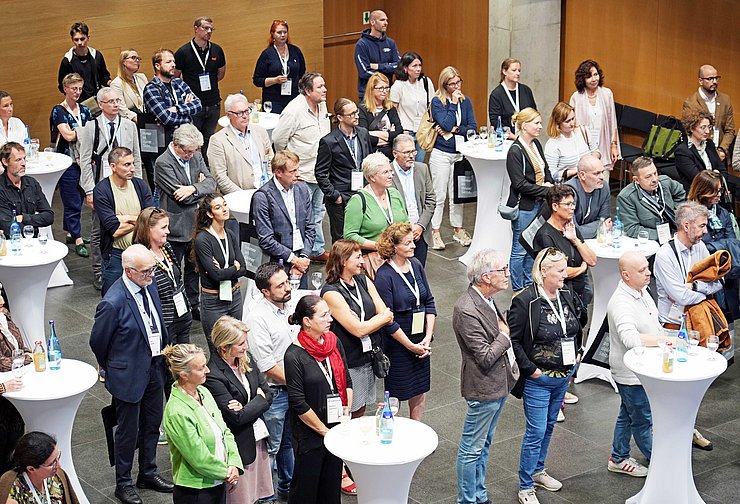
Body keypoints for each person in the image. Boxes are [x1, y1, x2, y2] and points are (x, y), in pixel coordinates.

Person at [89, 244, 173, 504]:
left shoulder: (149, 284)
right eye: (146, 272)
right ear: (128, 271)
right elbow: (97, 342)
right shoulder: (113, 302)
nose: (151, 275)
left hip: (154, 367)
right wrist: (113, 367)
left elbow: (156, 322)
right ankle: (123, 482)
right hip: (128, 375)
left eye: (152, 270)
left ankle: (148, 472)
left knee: (152, 424)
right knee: (127, 432)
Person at [508, 248, 583, 504]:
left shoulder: (566, 294)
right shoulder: (525, 301)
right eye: (560, 270)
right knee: (536, 431)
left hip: (563, 376)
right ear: (544, 272)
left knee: (549, 426)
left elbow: (575, 326)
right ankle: (525, 485)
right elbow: (514, 341)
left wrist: (578, 354)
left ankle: (539, 470)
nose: (566, 274)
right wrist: (533, 370)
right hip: (538, 380)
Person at [452, 248, 519, 504]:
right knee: (471, 449)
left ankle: (479, 495)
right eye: (502, 270)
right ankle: (468, 500)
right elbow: (485, 356)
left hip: (499, 384)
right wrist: (504, 336)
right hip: (483, 387)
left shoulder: (488, 299)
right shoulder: (467, 309)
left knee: (484, 445)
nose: (507, 274)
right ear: (486, 277)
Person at [653, 201, 720, 451]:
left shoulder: (700, 247)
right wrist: (701, 291)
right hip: (670, 327)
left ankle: (688, 429)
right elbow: (679, 296)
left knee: (691, 383)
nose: (705, 231)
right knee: (670, 385)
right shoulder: (664, 255)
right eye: (701, 226)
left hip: (695, 326)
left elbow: (717, 283)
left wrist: (697, 288)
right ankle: (665, 433)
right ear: (686, 225)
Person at [284, 295, 352, 504]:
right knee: (306, 490)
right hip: (310, 436)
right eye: (323, 316)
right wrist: (324, 431)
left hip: (335, 427)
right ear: (307, 321)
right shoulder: (294, 355)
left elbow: (347, 381)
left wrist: (345, 414)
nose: (330, 319)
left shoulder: (333, 342)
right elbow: (298, 402)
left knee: (331, 490)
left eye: (329, 314)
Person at [78, 87, 142, 290]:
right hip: (102, 184)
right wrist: (89, 190)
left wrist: (138, 184)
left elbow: (137, 157)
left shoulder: (129, 126)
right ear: (101, 105)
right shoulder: (91, 127)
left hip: (127, 185)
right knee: (100, 230)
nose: (115, 104)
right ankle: (99, 270)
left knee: (132, 223)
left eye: (118, 100)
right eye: (111, 101)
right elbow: (86, 159)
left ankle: (131, 265)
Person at [204, 316, 274, 504]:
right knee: (241, 497)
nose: (246, 347)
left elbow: (268, 393)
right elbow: (236, 417)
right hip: (238, 444)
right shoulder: (214, 375)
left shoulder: (245, 359)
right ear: (224, 346)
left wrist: (248, 406)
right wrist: (258, 400)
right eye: (241, 343)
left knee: (258, 493)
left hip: (257, 439)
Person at [321, 240, 393, 421]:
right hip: (350, 360)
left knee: (362, 408)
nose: (362, 261)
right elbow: (358, 330)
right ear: (344, 261)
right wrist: (378, 320)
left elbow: (386, 313)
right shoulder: (331, 292)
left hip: (369, 356)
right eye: (358, 257)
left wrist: (375, 320)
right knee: (350, 411)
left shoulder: (363, 280)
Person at [162, 343, 242, 504]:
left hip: (218, 482)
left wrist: (234, 464)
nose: (208, 370)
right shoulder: (176, 411)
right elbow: (198, 458)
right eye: (201, 368)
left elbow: (225, 431)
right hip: (196, 492)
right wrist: (227, 473)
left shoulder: (203, 392)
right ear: (184, 375)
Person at [245, 263, 297, 502]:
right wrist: (300, 382)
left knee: (289, 442)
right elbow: (267, 367)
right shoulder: (257, 317)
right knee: (272, 448)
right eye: (281, 286)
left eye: (287, 282)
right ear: (265, 292)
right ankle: (266, 497)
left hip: (293, 388)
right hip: (275, 393)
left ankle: (288, 488)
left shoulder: (291, 304)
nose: (288, 288)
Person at [374, 222, 436, 420]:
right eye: (408, 243)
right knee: (396, 396)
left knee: (419, 392)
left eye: (413, 242)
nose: (413, 246)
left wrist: (427, 336)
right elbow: (387, 320)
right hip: (398, 344)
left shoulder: (416, 265)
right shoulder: (384, 276)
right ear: (394, 247)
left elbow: (429, 301)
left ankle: (416, 431)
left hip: (420, 340)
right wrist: (410, 346)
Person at [155, 123, 217, 319]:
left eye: (193, 151)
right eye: (188, 152)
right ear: (176, 145)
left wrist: (192, 188)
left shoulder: (196, 155)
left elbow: (211, 182)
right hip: (176, 226)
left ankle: (193, 304)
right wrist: (198, 188)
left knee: (194, 269)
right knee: (174, 270)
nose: (191, 155)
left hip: (197, 225)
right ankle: (175, 307)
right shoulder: (163, 163)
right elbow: (180, 197)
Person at [606, 251, 659, 478]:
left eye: (647, 267)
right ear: (626, 275)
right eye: (641, 270)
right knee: (642, 419)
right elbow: (630, 339)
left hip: (641, 369)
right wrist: (664, 341)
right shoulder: (621, 302)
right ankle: (661, 460)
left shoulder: (641, 291)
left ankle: (618, 457)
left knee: (627, 414)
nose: (648, 273)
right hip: (630, 373)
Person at [272, 72, 331, 262]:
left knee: (318, 212)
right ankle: (303, 251)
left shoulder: (322, 105)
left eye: (324, 85)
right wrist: (290, 165)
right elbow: (279, 139)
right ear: (307, 91)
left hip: (321, 172)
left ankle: (315, 250)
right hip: (302, 173)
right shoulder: (293, 110)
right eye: (320, 87)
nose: (325, 90)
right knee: (301, 216)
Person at [93, 147, 154, 296]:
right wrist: (140, 219)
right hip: (116, 256)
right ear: (113, 167)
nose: (132, 169)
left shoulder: (140, 185)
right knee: (112, 299)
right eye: (127, 165)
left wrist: (124, 218)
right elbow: (114, 230)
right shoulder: (102, 190)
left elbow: (151, 218)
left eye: (133, 163)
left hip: (141, 252)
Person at [428, 66, 477, 250]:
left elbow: (472, 127)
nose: (457, 87)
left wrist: (455, 129)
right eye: (452, 84)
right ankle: (435, 232)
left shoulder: (466, 101)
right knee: (439, 195)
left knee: (457, 196)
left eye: (459, 82)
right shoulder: (437, 102)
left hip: (459, 154)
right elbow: (446, 123)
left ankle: (458, 229)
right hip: (441, 153)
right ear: (444, 84)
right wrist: (453, 105)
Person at [506, 107, 554, 291]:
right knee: (519, 249)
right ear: (524, 126)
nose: (540, 126)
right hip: (525, 206)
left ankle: (529, 283)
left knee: (532, 246)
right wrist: (545, 189)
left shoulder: (536, 145)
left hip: (540, 203)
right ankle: (518, 288)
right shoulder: (515, 151)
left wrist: (549, 184)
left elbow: (545, 169)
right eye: (536, 123)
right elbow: (519, 184)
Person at [251, 151, 314, 288]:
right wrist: (294, 260)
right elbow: (266, 239)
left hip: (302, 261)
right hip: (277, 264)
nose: (298, 174)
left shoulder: (302, 189)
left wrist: (302, 258)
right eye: (292, 171)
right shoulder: (262, 197)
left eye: (298, 169)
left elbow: (310, 227)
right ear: (278, 172)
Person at [132, 207, 192, 347]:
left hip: (182, 315)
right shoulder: (140, 257)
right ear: (148, 229)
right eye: (163, 227)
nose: (168, 231)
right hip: (164, 322)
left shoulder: (167, 247)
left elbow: (177, 278)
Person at [315, 98, 373, 243]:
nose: (356, 116)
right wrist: (335, 196)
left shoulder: (363, 133)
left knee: (363, 234)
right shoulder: (329, 141)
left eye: (356, 112)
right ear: (340, 117)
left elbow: (370, 160)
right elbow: (320, 173)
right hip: (342, 196)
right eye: (351, 114)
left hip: (363, 193)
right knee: (342, 239)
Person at [192, 193, 246, 344]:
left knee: (237, 343)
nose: (224, 209)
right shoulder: (203, 239)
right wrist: (233, 267)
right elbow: (216, 275)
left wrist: (227, 271)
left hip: (234, 295)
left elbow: (243, 268)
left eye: (224, 204)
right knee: (218, 346)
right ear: (209, 214)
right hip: (214, 301)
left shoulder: (230, 234)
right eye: (218, 207)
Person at [530, 185, 597, 306]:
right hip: (561, 296)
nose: (572, 208)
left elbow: (592, 260)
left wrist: (575, 240)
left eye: (573, 204)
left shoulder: (570, 228)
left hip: (579, 293)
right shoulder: (545, 236)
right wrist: (581, 269)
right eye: (568, 204)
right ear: (555, 206)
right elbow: (555, 271)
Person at [51, 72, 92, 257]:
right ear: (65, 89)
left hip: (84, 159)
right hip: (67, 162)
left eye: (80, 89)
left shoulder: (85, 110)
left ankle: (70, 232)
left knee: (81, 195)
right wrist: (81, 131)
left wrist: (77, 131)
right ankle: (77, 238)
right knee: (72, 200)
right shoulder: (58, 110)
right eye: (73, 89)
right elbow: (67, 136)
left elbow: (91, 134)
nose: (77, 92)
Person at [688, 170, 740, 318]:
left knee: (729, 319)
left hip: (727, 275)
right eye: (715, 191)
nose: (719, 195)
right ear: (703, 191)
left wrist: (716, 246)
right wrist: (723, 245)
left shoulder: (723, 213)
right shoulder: (690, 214)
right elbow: (698, 247)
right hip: (704, 277)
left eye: (720, 190)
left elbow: (733, 243)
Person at [174, 16, 227, 156]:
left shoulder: (217, 50)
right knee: (193, 141)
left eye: (211, 29)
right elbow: (175, 78)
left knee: (209, 138)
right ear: (196, 29)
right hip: (194, 106)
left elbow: (220, 74)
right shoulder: (183, 52)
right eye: (205, 28)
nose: (209, 31)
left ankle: (208, 168)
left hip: (213, 102)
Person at [343, 152, 409, 258]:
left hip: (398, 256)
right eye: (385, 172)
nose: (390, 175)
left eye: (390, 171)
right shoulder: (358, 201)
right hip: (373, 258)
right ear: (372, 177)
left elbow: (406, 222)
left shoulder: (394, 193)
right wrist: (379, 246)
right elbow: (350, 236)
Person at [208, 93, 274, 194]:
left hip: (266, 191)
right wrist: (242, 196)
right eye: (239, 113)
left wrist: (270, 186)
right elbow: (220, 177)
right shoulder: (218, 140)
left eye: (247, 111)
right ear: (228, 115)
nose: (245, 116)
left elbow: (271, 161)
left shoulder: (261, 132)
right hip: (238, 195)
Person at [616, 156, 686, 242]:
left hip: (677, 231)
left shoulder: (665, 182)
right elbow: (632, 229)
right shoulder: (626, 197)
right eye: (648, 176)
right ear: (636, 180)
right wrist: (663, 235)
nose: (655, 179)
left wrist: (677, 212)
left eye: (655, 173)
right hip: (652, 240)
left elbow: (681, 193)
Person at [390, 134, 435, 265]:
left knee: (419, 271)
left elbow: (431, 199)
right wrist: (404, 228)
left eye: (413, 151)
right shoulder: (387, 172)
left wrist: (421, 225)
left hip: (420, 233)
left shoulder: (422, 169)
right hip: (397, 235)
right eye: (406, 152)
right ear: (395, 154)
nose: (411, 156)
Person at [143, 49, 203, 146]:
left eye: (174, 61)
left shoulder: (179, 83)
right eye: (168, 62)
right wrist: (188, 116)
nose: (173, 65)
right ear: (157, 66)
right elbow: (166, 118)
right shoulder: (151, 88)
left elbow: (198, 104)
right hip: (163, 142)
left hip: (185, 139)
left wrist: (177, 108)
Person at [569, 60, 620, 174]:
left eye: (596, 74)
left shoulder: (607, 94)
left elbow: (613, 122)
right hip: (584, 145)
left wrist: (614, 146)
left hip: (603, 143)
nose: (594, 79)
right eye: (589, 76)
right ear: (582, 79)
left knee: (602, 178)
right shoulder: (576, 97)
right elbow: (571, 125)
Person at [0, 432, 79, 504]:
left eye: (58, 456)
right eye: (52, 463)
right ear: (31, 469)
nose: (59, 465)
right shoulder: (12, 493)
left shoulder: (58, 476)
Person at [0, 293, 29, 474]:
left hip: (9, 401)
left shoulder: (5, 315)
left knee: (15, 435)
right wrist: (3, 387)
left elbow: (19, 346)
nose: (2, 300)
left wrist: (27, 355)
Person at [252, 20, 306, 114]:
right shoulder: (267, 54)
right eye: (279, 32)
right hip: (273, 100)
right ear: (273, 34)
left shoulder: (295, 51)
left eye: (285, 32)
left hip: (294, 98)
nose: (282, 35)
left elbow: (302, 73)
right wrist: (275, 80)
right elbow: (257, 80)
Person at [684, 64, 734, 165]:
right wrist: (709, 152)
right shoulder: (691, 102)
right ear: (700, 81)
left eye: (716, 78)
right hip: (700, 154)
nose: (714, 81)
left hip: (721, 156)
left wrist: (722, 150)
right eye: (710, 79)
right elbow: (690, 131)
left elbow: (729, 130)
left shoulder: (725, 100)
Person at [0, 142, 53, 237]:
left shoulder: (31, 183)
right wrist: (33, 223)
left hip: (33, 240)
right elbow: (8, 226)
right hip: (11, 243)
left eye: (24, 159)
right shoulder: (1, 188)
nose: (23, 164)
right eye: (18, 160)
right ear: (5, 162)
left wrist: (24, 218)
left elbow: (49, 216)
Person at [390, 51, 435, 162]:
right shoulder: (398, 85)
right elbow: (393, 110)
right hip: (406, 130)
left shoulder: (426, 82)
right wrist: (399, 129)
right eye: (414, 66)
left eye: (419, 65)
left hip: (422, 130)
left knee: (418, 165)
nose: (418, 69)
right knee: (406, 164)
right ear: (405, 68)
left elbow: (432, 105)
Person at [544, 101, 598, 182]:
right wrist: (575, 172)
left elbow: (596, 151)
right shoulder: (552, 144)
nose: (572, 123)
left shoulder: (583, 131)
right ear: (558, 123)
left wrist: (590, 163)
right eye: (567, 121)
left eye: (573, 118)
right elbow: (551, 174)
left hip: (589, 181)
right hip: (568, 185)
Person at [57, 22, 111, 102]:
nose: (79, 42)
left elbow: (104, 76)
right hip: (79, 102)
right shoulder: (67, 61)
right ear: (72, 39)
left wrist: (112, 83)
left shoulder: (96, 56)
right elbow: (62, 85)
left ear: (88, 38)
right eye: (76, 39)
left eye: (82, 39)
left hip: (98, 99)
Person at [674, 108, 725, 191]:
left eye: (709, 127)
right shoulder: (682, 151)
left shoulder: (709, 144)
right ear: (691, 128)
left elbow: (723, 171)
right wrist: (716, 175)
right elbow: (698, 179)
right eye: (703, 127)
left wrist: (717, 178)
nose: (707, 131)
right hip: (696, 195)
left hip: (714, 192)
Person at [354, 10, 400, 101]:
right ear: (372, 22)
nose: (386, 23)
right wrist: (385, 74)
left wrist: (378, 66)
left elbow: (399, 66)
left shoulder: (391, 43)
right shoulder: (362, 44)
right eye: (382, 20)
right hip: (367, 94)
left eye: (386, 20)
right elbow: (364, 72)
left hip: (387, 93)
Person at [565, 154, 611, 239]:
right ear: (582, 175)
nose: (602, 177)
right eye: (596, 173)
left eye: (602, 172)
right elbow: (572, 231)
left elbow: (605, 220)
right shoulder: (568, 192)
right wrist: (600, 227)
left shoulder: (604, 187)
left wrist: (602, 225)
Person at [488, 58, 537, 137]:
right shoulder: (496, 94)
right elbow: (495, 121)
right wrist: (512, 136)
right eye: (514, 70)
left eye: (519, 70)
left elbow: (533, 113)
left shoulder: (526, 90)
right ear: (504, 71)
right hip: (507, 138)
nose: (517, 73)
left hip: (527, 136)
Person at [359, 72, 403, 160]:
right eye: (381, 88)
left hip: (390, 154)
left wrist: (372, 133)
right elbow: (363, 135)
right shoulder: (362, 109)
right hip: (371, 154)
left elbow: (398, 132)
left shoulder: (390, 108)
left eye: (386, 88)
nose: (384, 91)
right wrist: (389, 136)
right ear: (372, 89)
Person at [110, 49, 149, 122]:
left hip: (147, 117)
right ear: (124, 62)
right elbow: (121, 109)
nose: (137, 60)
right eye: (133, 58)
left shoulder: (142, 77)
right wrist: (139, 120)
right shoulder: (116, 84)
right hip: (131, 121)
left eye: (138, 58)